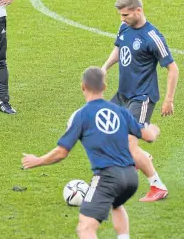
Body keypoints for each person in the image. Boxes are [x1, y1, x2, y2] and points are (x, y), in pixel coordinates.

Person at [22, 67, 160, 239]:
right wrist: (154, 129)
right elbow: (149, 136)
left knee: (85, 228)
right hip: (131, 177)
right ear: (105, 86)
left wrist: (38, 161)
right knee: (116, 205)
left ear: (82, 86)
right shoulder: (121, 111)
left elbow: (61, 152)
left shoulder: (81, 115)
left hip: (107, 177)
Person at [102, 0, 179, 202]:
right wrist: (104, 68)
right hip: (123, 94)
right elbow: (119, 49)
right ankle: (140, 158)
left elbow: (173, 69)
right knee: (103, 127)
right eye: (120, 15)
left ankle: (157, 186)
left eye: (126, 15)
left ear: (138, 10)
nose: (122, 19)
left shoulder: (152, 37)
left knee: (128, 146)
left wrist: (168, 100)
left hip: (142, 98)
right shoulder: (124, 27)